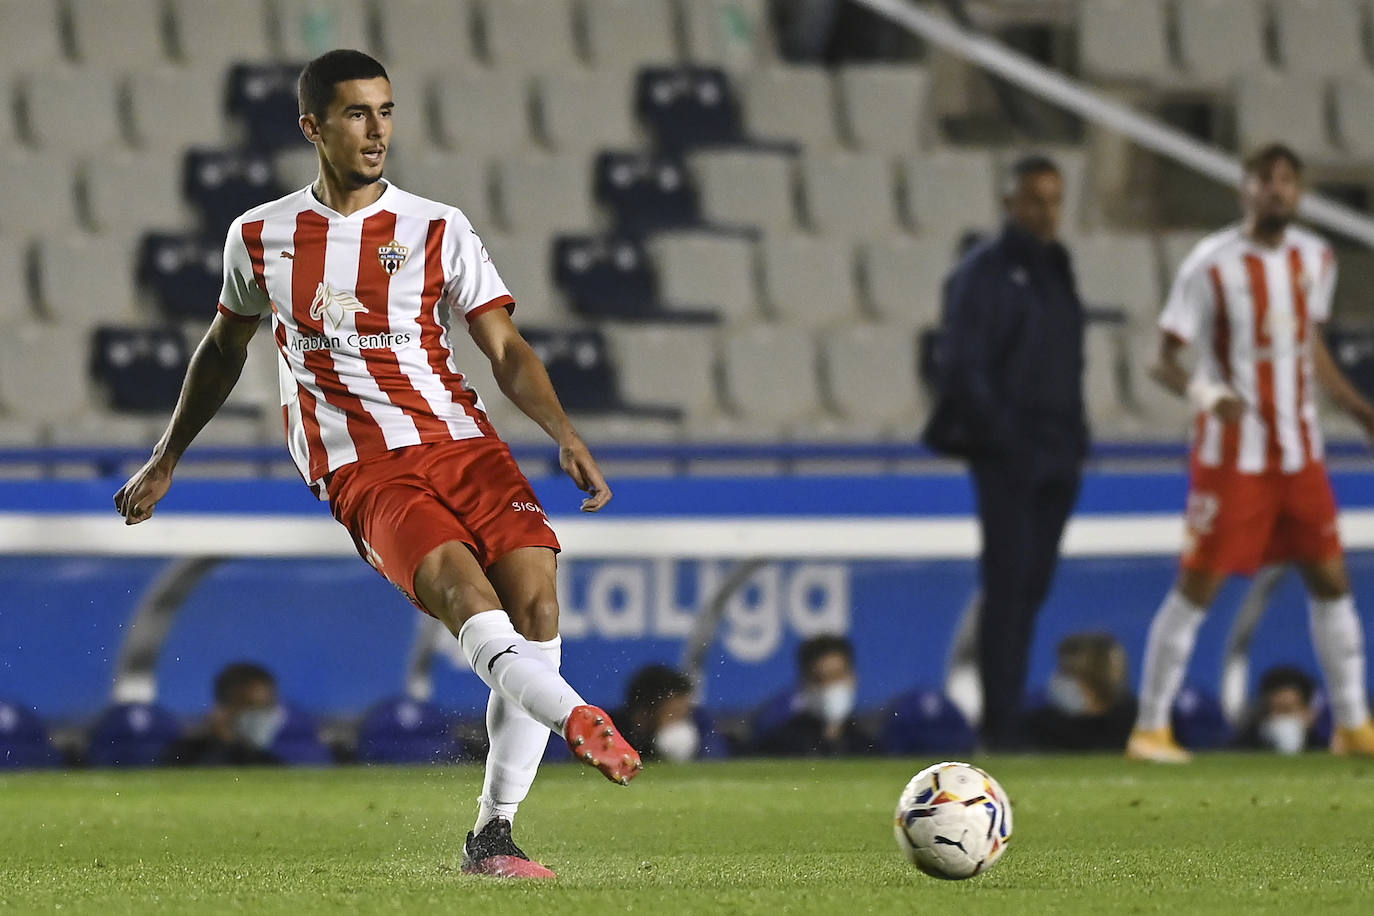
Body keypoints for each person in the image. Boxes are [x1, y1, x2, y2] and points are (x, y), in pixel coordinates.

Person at [112, 50, 641, 878]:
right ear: (313, 127)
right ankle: (578, 720)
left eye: (386, 112)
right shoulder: (260, 235)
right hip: (363, 466)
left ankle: (492, 836)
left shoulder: (439, 226)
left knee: (536, 608)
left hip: (463, 443)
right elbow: (222, 349)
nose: (376, 130)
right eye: (357, 114)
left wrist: (563, 430)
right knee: (469, 599)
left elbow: (502, 346)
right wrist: (166, 455)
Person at [1127, 143, 1374, 762]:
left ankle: (1351, 724)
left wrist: (1358, 407)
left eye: (1287, 181)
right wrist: (1208, 394)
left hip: (1299, 452)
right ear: (1245, 189)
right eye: (1265, 180)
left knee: (1331, 580)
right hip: (1232, 456)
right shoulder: (1211, 264)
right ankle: (1150, 728)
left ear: (1299, 191)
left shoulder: (1316, 257)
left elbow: (1308, 346)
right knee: (1198, 587)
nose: (1276, 191)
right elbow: (1161, 359)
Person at [923, 153, 1088, 750]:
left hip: (1058, 450)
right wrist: (1005, 438)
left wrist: (1074, 439)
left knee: (1031, 588)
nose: (1046, 212)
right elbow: (964, 365)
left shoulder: (1057, 266)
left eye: (1054, 200)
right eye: (1035, 200)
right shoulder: (985, 272)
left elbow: (1067, 361)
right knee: (1010, 589)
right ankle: (1002, 727)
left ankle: (1007, 716)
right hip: (1013, 453)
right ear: (1010, 203)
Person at [755, 635, 879, 756]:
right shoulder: (779, 745)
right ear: (803, 682)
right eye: (819, 679)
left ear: (853, 678)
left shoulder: (868, 746)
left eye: (837, 676)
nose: (829, 686)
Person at [1024, 632, 1136, 752]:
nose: (1065, 682)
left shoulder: (1137, 722)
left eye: (1074, 673)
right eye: (1064, 671)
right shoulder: (1039, 726)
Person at [164, 662, 287, 766]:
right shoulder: (185, 753)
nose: (261, 715)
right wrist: (224, 744)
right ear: (224, 709)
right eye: (251, 706)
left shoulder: (270, 762)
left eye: (267, 706)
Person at [614, 664, 725, 763]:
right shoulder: (613, 734)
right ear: (644, 714)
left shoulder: (700, 722)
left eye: (685, 713)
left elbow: (717, 755)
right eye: (674, 713)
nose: (681, 721)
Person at [1233, 666, 1325, 754]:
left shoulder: (1326, 749)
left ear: (1309, 713)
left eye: (1288, 710)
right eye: (1275, 709)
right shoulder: (1239, 749)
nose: (1281, 718)